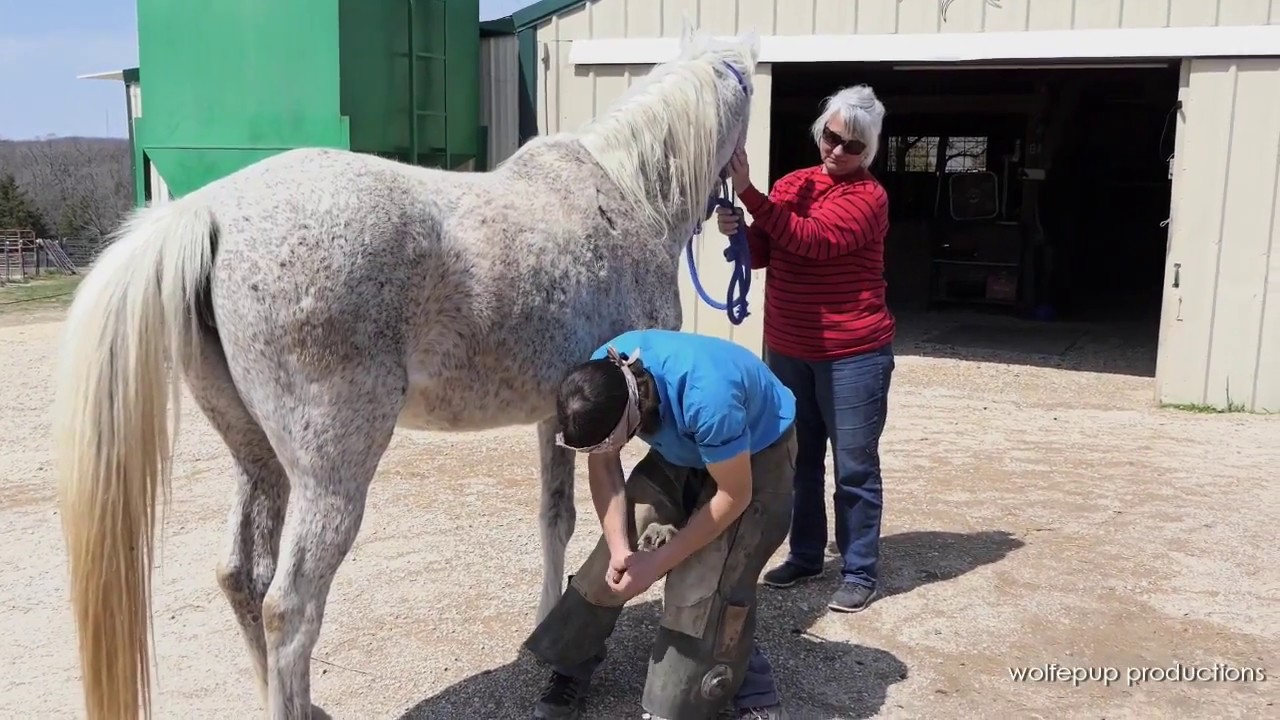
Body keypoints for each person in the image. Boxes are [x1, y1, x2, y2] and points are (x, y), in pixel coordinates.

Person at [523, 328, 798, 720]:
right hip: (685, 447)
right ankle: (572, 667)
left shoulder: (707, 396)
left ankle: (753, 690)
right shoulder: (603, 372)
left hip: (754, 454)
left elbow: (733, 495)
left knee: (708, 579)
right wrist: (622, 549)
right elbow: (604, 465)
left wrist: (658, 563)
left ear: (634, 410)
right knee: (608, 564)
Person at [715, 84, 895, 614]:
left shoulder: (868, 199)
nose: (837, 150)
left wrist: (750, 196)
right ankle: (807, 553)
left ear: (868, 151)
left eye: (852, 145)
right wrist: (738, 234)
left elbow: (812, 239)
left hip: (854, 352)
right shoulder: (793, 183)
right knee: (799, 458)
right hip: (791, 346)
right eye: (831, 136)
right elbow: (769, 248)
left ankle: (860, 570)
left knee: (855, 464)